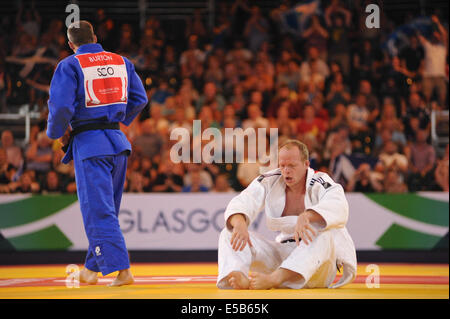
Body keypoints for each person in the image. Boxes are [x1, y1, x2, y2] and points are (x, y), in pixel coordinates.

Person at [46, 21, 148, 286]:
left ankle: (122, 270)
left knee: (98, 212)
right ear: (95, 37)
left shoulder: (69, 65)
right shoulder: (121, 62)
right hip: (117, 142)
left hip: (90, 145)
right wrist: (114, 119)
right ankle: (91, 270)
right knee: (106, 210)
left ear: (71, 44)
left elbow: (59, 109)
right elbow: (140, 99)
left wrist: (58, 132)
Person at [217, 139, 356, 290]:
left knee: (326, 235)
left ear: (306, 164)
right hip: (283, 256)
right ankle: (239, 275)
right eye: (282, 165)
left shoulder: (319, 181)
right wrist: (239, 223)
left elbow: (339, 205)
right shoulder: (271, 179)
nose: (286, 171)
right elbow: (245, 199)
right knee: (228, 232)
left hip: (316, 266)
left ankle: (274, 280)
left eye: (292, 165)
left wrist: (308, 215)